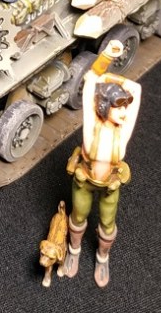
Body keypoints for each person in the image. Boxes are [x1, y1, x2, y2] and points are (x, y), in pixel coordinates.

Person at [60, 39, 141, 287]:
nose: (124, 112)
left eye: (125, 107)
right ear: (104, 106)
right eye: (119, 107)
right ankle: (73, 251)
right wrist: (106, 57)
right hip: (84, 180)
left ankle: (102, 257)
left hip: (110, 186)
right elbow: (92, 82)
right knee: (78, 216)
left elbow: (136, 89)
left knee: (107, 223)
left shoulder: (122, 132)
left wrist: (114, 82)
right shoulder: (92, 126)